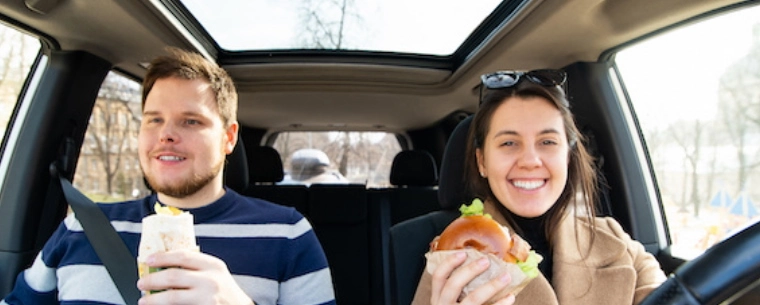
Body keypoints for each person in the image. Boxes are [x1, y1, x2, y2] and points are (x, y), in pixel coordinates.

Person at [1, 48, 336, 305]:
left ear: (229, 137)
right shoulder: (81, 227)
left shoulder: (288, 235)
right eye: (154, 119)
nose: (166, 135)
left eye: (191, 121)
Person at [412, 69, 667, 305]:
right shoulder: (450, 257)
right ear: (482, 162)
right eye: (509, 143)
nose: (531, 161)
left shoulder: (615, 240)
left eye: (547, 141)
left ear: (567, 157)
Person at [282, 148, 348, 186]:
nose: (307, 173)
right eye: (298, 168)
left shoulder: (281, 185)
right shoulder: (340, 183)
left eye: (313, 169)